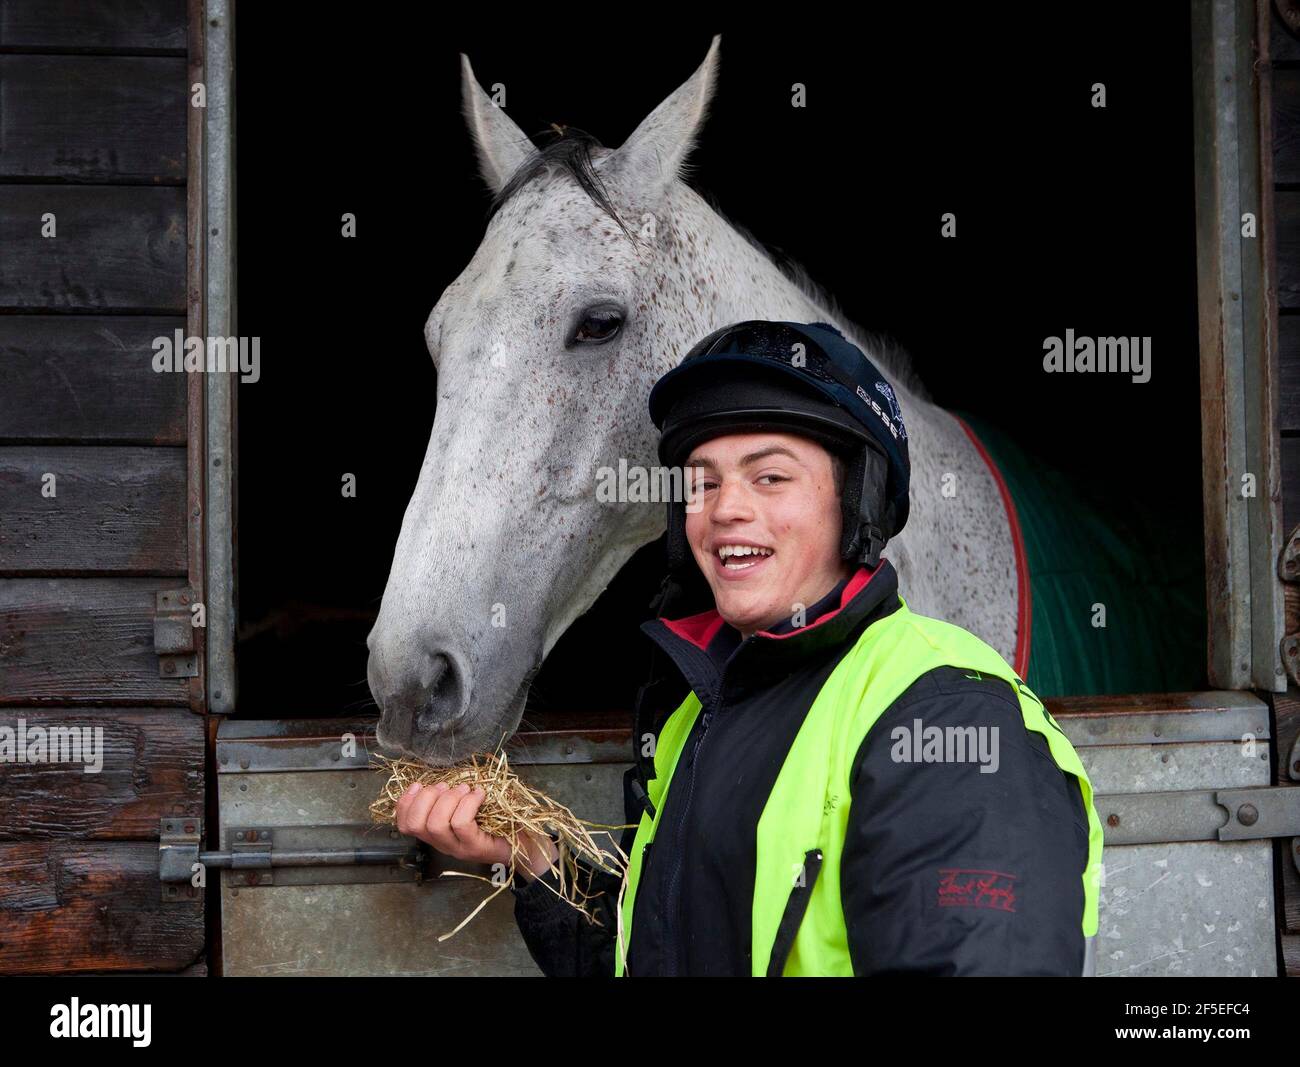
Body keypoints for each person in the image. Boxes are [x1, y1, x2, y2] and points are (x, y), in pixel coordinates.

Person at [395, 319, 1104, 977]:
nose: (726, 507)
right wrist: (533, 858)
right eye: (702, 482)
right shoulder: (696, 713)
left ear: (855, 501)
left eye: (770, 476)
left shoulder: (946, 714)